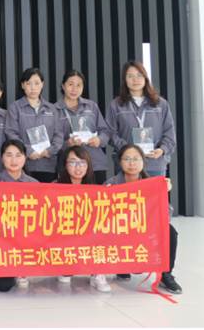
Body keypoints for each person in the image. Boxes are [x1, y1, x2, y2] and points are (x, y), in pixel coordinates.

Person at [105, 144, 182, 294]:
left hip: (146, 227)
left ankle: (165, 274)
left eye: (136, 159)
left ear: (143, 162)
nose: (132, 163)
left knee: (170, 232)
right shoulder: (111, 183)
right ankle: (121, 266)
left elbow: (167, 211)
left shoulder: (153, 183)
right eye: (127, 159)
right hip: (120, 227)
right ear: (120, 162)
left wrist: (162, 193)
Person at [106, 61, 176, 178]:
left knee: (154, 191)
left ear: (145, 78)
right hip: (127, 165)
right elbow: (110, 133)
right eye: (130, 76)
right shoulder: (116, 105)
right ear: (125, 80)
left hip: (155, 164)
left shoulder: (160, 104)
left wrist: (162, 150)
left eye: (139, 75)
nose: (135, 80)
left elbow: (169, 132)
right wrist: (128, 149)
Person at [55, 145, 111, 292]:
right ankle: (65, 267)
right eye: (73, 162)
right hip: (64, 234)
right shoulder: (55, 187)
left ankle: (97, 272)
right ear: (65, 165)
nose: (78, 167)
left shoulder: (96, 189)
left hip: (88, 234)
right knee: (65, 277)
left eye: (82, 162)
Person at [0, 139, 38, 292]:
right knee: (3, 286)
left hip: (27, 241)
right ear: (2, 158)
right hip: (2, 244)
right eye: (9, 155)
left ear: (25, 158)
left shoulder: (35, 185)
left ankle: (23, 269)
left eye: (18, 155)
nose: (14, 160)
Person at [55, 70, 113, 185]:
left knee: (95, 195)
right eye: (70, 84)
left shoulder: (91, 106)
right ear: (63, 86)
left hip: (94, 163)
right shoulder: (54, 110)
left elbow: (105, 131)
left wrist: (99, 140)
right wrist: (67, 143)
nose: (74, 89)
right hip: (69, 166)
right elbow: (51, 140)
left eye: (79, 85)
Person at [5, 68, 63, 183]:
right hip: (24, 165)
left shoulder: (51, 108)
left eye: (37, 83)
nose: (33, 87)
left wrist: (50, 151)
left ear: (42, 84)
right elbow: (11, 133)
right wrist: (28, 151)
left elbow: (59, 134)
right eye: (28, 83)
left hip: (48, 164)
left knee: (46, 193)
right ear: (23, 85)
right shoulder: (15, 108)